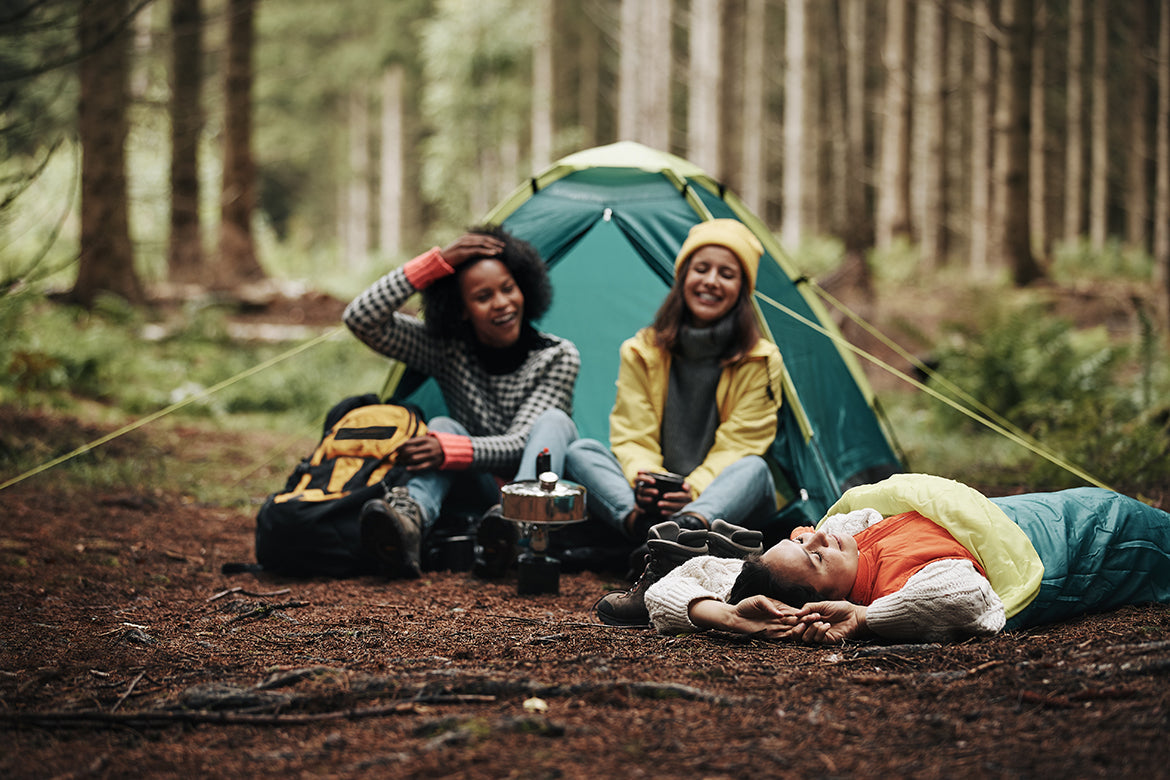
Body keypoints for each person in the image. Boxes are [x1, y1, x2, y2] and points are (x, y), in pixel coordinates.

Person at [642, 473, 1170, 642]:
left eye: (801, 539)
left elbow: (666, 588)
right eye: (816, 559)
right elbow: (969, 601)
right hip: (1095, 535)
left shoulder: (841, 534)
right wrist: (870, 617)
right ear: (831, 600)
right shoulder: (903, 585)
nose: (819, 540)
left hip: (1029, 513)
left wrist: (727, 605)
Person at [562, 219, 784, 622]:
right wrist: (646, 479)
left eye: (727, 273)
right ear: (683, 277)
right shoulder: (642, 349)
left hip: (718, 501)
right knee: (581, 451)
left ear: (741, 290)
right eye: (701, 269)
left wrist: (692, 491)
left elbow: (742, 442)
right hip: (657, 500)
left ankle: (678, 534)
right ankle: (651, 532)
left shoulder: (760, 358)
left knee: (754, 468)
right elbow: (632, 431)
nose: (711, 281)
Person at [343, 226, 580, 578]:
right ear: (462, 309)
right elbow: (362, 319)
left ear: (525, 289)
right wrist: (436, 263)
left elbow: (519, 444)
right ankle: (408, 524)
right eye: (483, 297)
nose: (502, 303)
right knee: (442, 428)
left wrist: (451, 450)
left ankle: (518, 526)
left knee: (555, 422)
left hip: (536, 499)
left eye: (508, 289)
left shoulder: (558, 356)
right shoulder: (447, 349)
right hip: (480, 493)